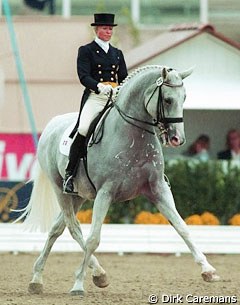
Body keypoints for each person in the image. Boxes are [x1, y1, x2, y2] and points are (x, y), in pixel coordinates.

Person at [63, 13, 128, 194]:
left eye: (110, 29)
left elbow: (123, 77)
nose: (108, 32)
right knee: (84, 128)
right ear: (96, 30)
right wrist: (99, 86)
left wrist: (120, 89)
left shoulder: (117, 53)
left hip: (115, 96)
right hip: (96, 96)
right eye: (105, 28)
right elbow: (83, 76)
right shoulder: (86, 50)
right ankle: (70, 173)